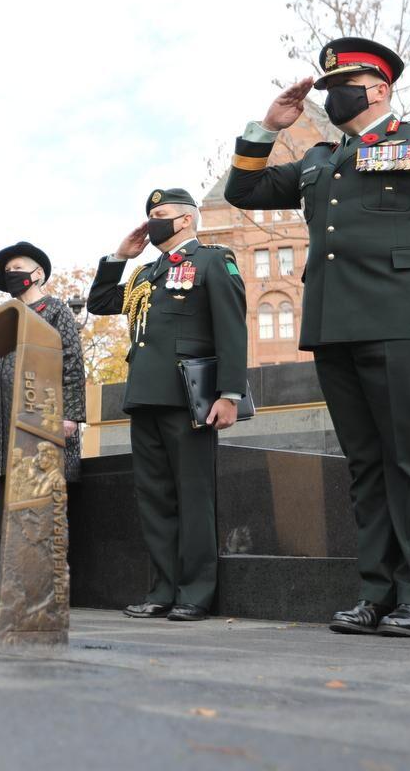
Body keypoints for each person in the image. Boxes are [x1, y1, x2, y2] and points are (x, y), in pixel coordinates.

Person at [224, 37, 410, 637]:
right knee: (366, 465)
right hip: (336, 327)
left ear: (379, 88)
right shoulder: (321, 158)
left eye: (341, 85)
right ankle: (376, 592)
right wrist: (268, 128)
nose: (331, 97)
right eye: (327, 87)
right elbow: (246, 192)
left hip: (405, 322)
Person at [87, 188, 248, 622]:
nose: (151, 221)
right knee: (154, 499)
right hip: (144, 396)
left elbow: (231, 329)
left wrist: (230, 394)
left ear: (186, 220)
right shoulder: (145, 273)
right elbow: (100, 303)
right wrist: (119, 256)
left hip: (188, 397)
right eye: (149, 214)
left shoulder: (215, 260)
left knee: (193, 497)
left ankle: (195, 593)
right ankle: (162, 589)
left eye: (161, 214)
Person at [0, 241, 86, 598]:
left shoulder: (56, 310)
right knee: (3, 510)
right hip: (3, 430)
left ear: (38, 273)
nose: (12, 274)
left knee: (42, 506)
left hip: (43, 421)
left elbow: (72, 362)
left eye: (18, 268)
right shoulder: (4, 317)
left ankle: (43, 587)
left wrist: (71, 415)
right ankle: (7, 586)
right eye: (7, 271)